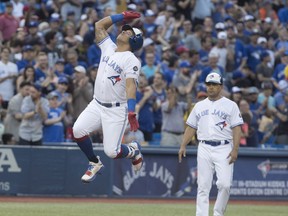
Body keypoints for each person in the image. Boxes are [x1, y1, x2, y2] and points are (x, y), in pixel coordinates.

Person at [72, 11, 144, 183]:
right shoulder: (109, 47)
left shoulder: (131, 60)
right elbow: (99, 25)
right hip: (97, 104)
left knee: (112, 152)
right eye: (125, 29)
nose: (123, 30)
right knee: (77, 130)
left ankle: (133, 150)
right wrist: (122, 15)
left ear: (135, 41)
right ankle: (94, 162)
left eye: (128, 32)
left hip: (116, 109)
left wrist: (132, 111)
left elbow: (130, 86)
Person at [178, 72, 243, 216]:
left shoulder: (231, 105)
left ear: (221, 86)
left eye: (214, 84)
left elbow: (237, 128)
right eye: (209, 84)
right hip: (204, 147)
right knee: (203, 186)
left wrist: (235, 150)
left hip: (224, 147)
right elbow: (191, 127)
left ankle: (218, 213)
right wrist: (183, 145)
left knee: (225, 185)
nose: (211, 87)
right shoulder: (199, 106)